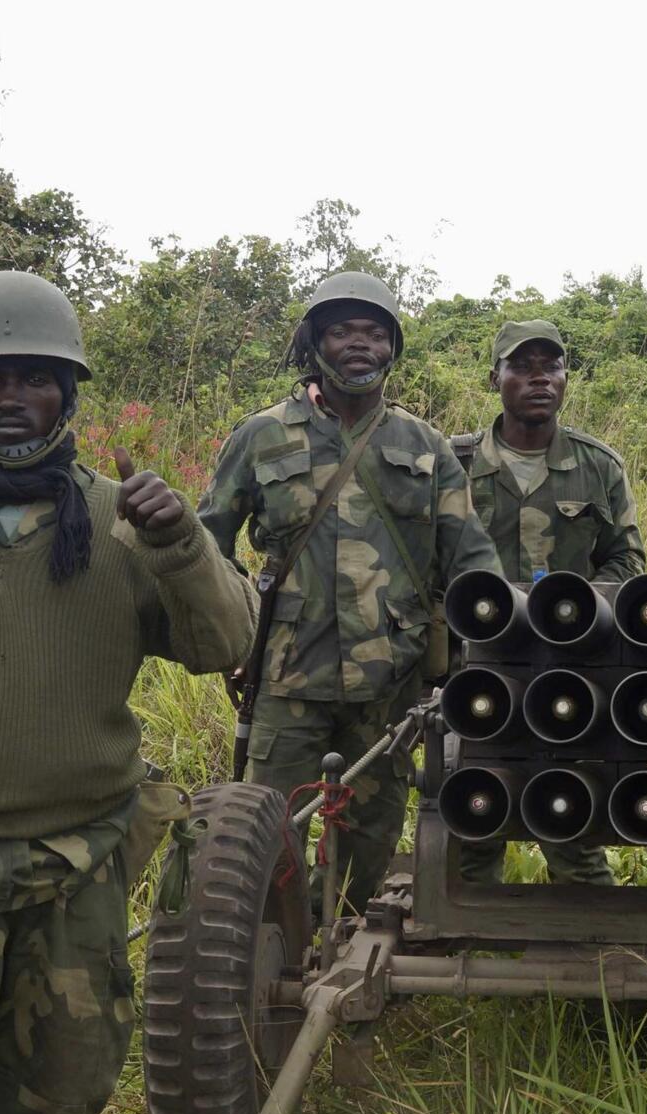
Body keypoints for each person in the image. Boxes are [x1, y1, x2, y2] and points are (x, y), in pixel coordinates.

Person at [0, 271, 255, 1114]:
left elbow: (226, 639)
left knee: (51, 1105)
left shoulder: (124, 520)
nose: (13, 399)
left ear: (69, 395)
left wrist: (180, 541)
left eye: (36, 378)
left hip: (79, 867)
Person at [198, 271, 501, 910]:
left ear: (392, 347)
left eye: (372, 332)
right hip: (285, 673)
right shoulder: (261, 435)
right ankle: (276, 958)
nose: (357, 344)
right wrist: (227, 637)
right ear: (315, 343)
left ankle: (344, 952)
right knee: (268, 833)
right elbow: (207, 547)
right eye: (341, 331)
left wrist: (494, 654)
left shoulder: (426, 446)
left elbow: (471, 559)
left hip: (390, 681)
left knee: (371, 841)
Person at [455, 319, 645, 885]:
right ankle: (467, 942)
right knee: (471, 812)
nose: (540, 377)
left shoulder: (597, 466)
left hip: (570, 670)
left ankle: (599, 951)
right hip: (475, 668)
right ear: (496, 377)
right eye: (522, 366)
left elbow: (627, 563)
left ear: (566, 379)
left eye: (552, 365)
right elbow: (427, 565)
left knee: (571, 817)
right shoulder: (455, 467)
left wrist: (576, 611)